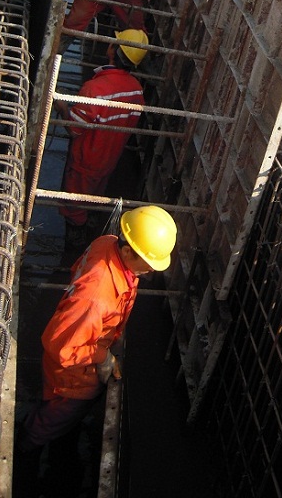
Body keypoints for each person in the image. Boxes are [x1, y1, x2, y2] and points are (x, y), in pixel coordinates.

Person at [15, 206, 177, 495]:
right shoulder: (97, 296)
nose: (151, 269)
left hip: (82, 337)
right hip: (71, 375)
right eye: (148, 261)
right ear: (128, 252)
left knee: (55, 412)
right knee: (56, 418)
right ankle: (24, 452)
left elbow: (76, 269)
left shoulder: (107, 243)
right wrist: (102, 357)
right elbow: (62, 346)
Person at [57, 29, 148, 243]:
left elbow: (74, 129)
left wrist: (61, 108)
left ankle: (75, 240)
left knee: (74, 204)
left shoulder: (94, 89)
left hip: (84, 161)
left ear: (112, 49)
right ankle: (91, 226)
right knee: (95, 196)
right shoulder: (136, 90)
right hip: (109, 160)